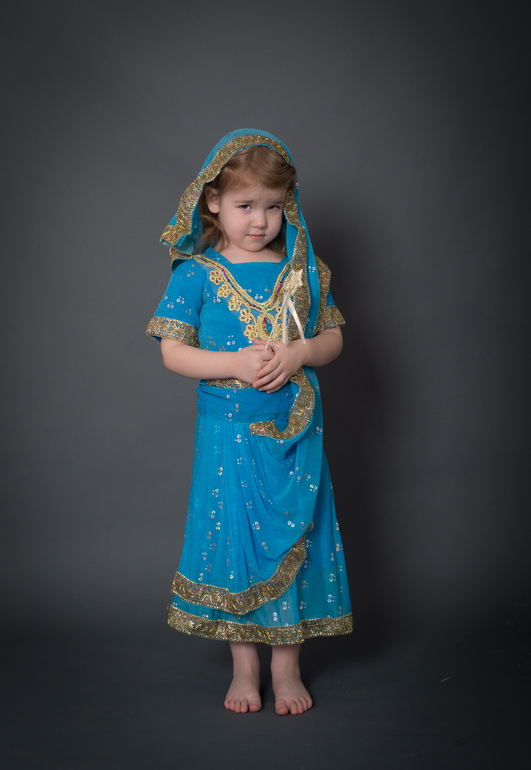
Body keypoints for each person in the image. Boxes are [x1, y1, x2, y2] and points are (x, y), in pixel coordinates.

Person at [146, 129, 352, 716]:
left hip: (294, 433)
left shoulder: (303, 271)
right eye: (245, 206)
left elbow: (332, 338)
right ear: (212, 202)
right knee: (237, 542)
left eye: (273, 206)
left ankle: (287, 669)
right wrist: (234, 363)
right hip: (229, 437)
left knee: (296, 539)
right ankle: (245, 668)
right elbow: (173, 353)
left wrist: (300, 352)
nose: (260, 221)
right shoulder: (196, 273)